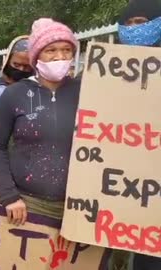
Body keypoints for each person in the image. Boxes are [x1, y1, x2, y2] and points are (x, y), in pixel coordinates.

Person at [0, 18, 80, 225]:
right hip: (27, 206)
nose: (60, 56)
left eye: (66, 49)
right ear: (37, 56)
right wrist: (9, 196)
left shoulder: (86, 92)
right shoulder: (14, 94)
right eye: (51, 50)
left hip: (80, 207)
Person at [117, 1, 161, 269]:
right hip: (122, 182)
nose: (135, 29)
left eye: (142, 22)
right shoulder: (109, 70)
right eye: (130, 24)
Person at [0, 36, 33, 108]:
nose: (21, 69)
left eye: (27, 66)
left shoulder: (39, 88)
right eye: (16, 65)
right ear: (8, 61)